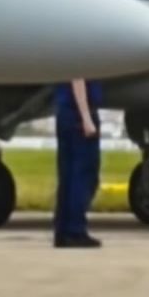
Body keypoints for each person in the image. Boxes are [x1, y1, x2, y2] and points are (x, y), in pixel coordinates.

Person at [53, 77, 103, 248]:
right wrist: (86, 117)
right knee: (83, 176)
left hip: (66, 112)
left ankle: (62, 231)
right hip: (79, 114)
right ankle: (75, 230)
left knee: (67, 176)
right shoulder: (83, 53)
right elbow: (78, 77)